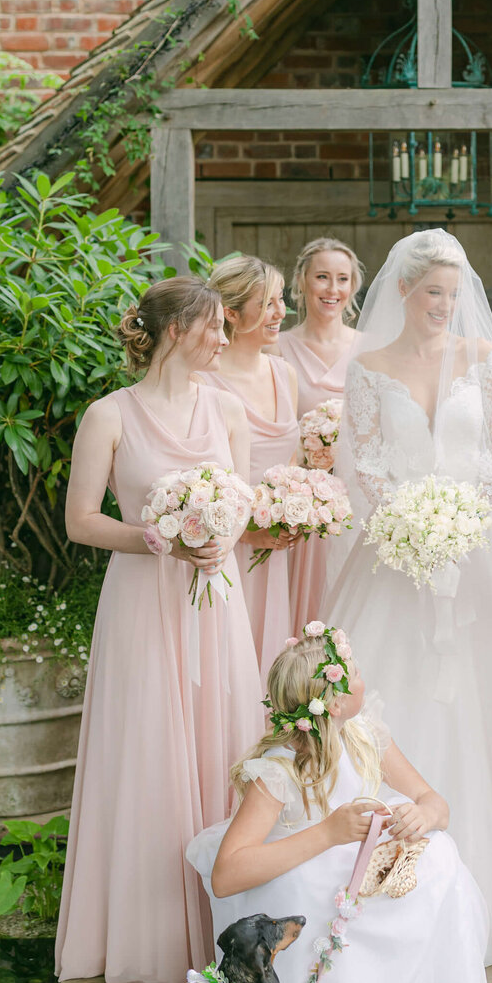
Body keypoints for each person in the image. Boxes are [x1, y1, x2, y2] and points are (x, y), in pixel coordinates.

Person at [57, 276, 263, 983]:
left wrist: (217, 535)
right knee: (149, 746)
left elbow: (241, 501)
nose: (223, 338)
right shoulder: (109, 416)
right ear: (177, 330)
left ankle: (225, 926)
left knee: (221, 740)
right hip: (144, 600)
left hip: (215, 598)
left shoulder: (229, 409)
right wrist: (158, 538)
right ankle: (151, 936)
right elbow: (82, 520)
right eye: (213, 327)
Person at [186, 624, 492, 983]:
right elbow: (227, 875)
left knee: (441, 857)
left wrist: (422, 815)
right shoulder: (277, 770)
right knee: (314, 890)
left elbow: (436, 803)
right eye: (353, 670)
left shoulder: (365, 734)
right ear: (334, 702)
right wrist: (329, 833)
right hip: (302, 868)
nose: (362, 674)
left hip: (365, 864)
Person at [326, 228, 492, 964]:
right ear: (403, 292)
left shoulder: (483, 358)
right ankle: (383, 889)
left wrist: (463, 522)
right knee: (387, 697)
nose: (443, 304)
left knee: (491, 703)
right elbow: (367, 463)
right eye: (431, 292)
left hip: (479, 553)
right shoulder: (369, 365)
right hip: (396, 555)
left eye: (452, 292)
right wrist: (409, 526)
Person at [206, 256, 301, 682]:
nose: (280, 313)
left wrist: (300, 507)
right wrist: (247, 529)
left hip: (279, 546)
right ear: (231, 313)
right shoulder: (203, 382)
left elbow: (292, 462)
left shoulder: (285, 374)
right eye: (267, 304)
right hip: (225, 546)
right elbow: (201, 479)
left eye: (281, 301)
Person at [276, 239, 364, 624]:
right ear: (301, 282)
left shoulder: (372, 349)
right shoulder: (277, 349)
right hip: (303, 501)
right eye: (322, 277)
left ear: (354, 285)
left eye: (342, 279)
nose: (332, 289)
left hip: (359, 502)